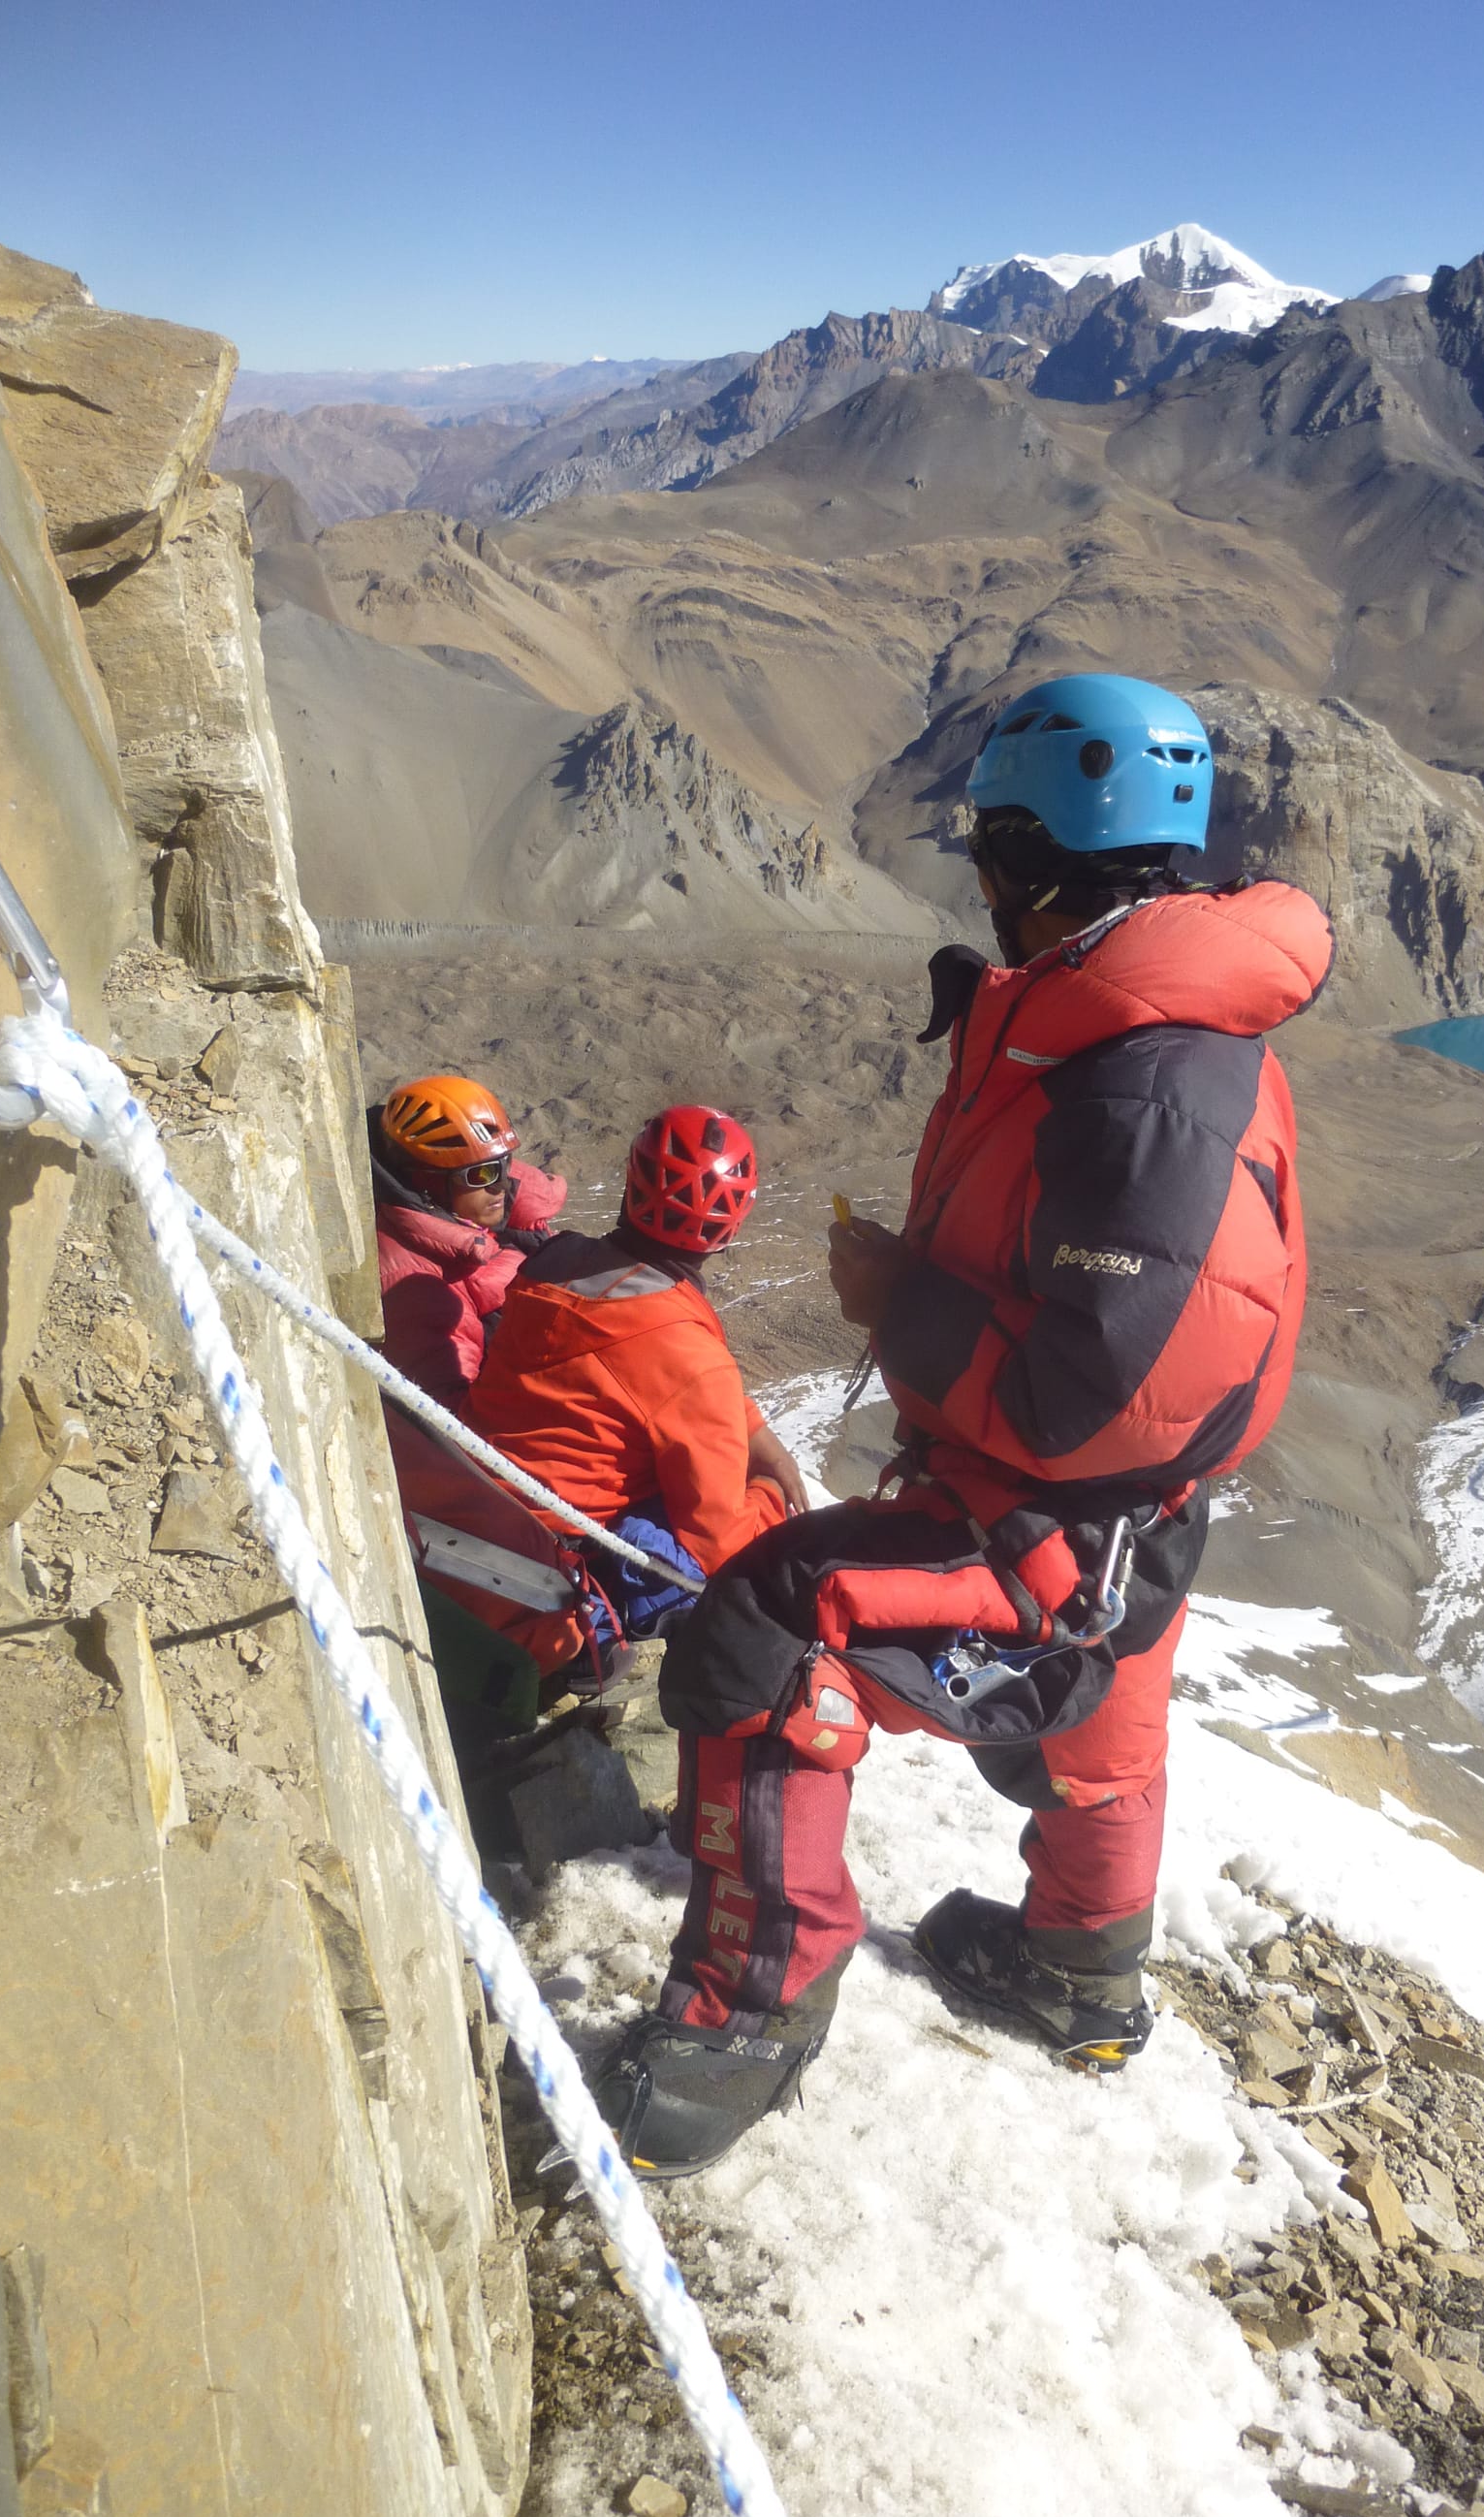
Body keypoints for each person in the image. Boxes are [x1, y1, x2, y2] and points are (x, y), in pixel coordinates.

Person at [589, 672, 1335, 2176]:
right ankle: (1076, 1974)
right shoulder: (1141, 1023)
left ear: (1039, 862)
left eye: (992, 847)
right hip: (1122, 1521)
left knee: (768, 1627)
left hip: (1050, 1508)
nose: (979, 881)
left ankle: (743, 2023)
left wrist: (899, 1303)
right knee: (1109, 1726)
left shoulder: (1139, 1085)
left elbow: (1100, 1391)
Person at [466, 1104, 806, 1639]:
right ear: (729, 1229)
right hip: (558, 1566)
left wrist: (755, 1429)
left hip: (477, 1515)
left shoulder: (552, 1264)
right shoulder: (689, 1355)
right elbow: (717, 1543)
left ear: (632, 1183)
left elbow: (643, 1375)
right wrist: (767, 1492)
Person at [370, 1074, 567, 1407]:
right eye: (481, 1174)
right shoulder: (416, 1289)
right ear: (426, 1182)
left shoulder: (492, 1228)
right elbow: (450, 1425)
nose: (502, 1185)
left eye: (504, 1165)